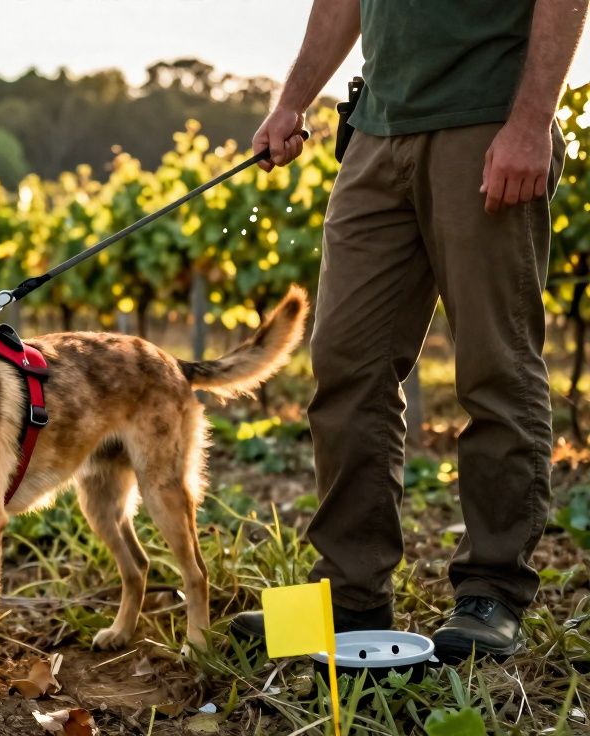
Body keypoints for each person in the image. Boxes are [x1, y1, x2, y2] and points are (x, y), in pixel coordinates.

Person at [230, 0, 586, 662]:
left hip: (485, 125)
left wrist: (532, 123)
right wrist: (290, 104)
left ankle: (492, 592)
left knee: (494, 368)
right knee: (344, 363)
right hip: (374, 131)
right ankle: (349, 594)